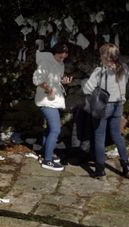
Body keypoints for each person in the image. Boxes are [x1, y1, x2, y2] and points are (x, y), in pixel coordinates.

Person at [82, 43, 129, 179]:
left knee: (99, 137)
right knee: (117, 136)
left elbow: (87, 88)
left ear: (104, 56)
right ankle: (126, 167)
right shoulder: (124, 68)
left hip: (103, 107)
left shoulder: (100, 71)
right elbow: (123, 84)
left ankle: (100, 171)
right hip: (118, 105)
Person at [33, 42, 73, 171]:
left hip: (54, 99)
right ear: (54, 53)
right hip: (46, 100)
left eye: (64, 58)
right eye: (60, 57)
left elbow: (56, 79)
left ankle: (46, 153)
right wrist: (47, 88)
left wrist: (63, 82)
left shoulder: (59, 64)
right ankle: (47, 161)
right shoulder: (46, 62)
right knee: (56, 130)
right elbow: (36, 79)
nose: (62, 60)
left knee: (50, 128)